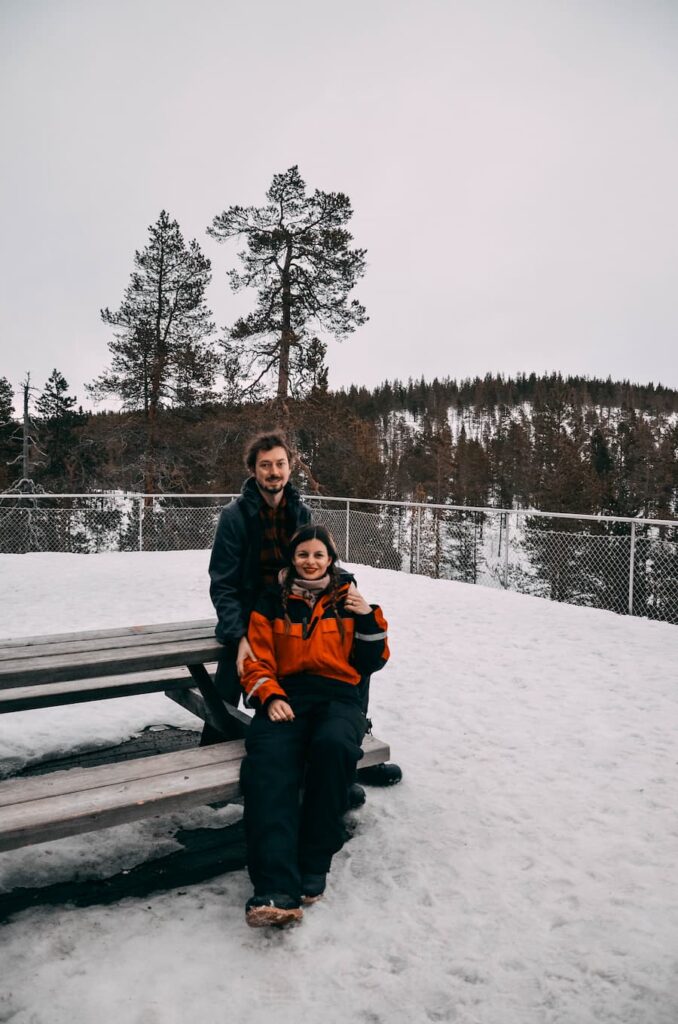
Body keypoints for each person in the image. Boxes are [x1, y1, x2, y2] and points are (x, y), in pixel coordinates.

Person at [206, 430, 402, 791]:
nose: (273, 471)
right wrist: (238, 634)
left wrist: (350, 588)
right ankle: (211, 753)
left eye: (280, 464)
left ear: (289, 466)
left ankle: (349, 752)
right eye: (265, 465)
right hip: (255, 614)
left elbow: (318, 558)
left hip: (291, 605)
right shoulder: (235, 517)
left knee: (353, 655)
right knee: (234, 666)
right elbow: (223, 583)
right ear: (253, 470)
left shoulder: (300, 510)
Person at [239, 525, 390, 927]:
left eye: (318, 554)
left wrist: (368, 618)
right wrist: (270, 696)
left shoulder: (348, 599)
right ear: (293, 558)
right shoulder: (271, 599)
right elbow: (254, 658)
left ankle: (313, 861)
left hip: (339, 697)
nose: (310, 561)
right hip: (286, 696)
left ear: (330, 559)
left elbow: (371, 662)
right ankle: (274, 889)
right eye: (303, 553)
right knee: (269, 762)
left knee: (334, 748)